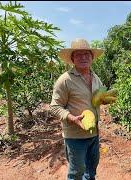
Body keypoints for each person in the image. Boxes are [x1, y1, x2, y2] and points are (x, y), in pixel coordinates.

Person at [50, 38, 104, 180]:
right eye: (79, 55)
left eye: (87, 54)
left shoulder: (96, 78)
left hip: (94, 133)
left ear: (92, 57)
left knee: (92, 169)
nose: (83, 57)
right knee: (76, 172)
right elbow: (55, 107)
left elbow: (97, 99)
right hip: (75, 136)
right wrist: (72, 118)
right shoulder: (65, 80)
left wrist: (103, 100)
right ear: (72, 59)